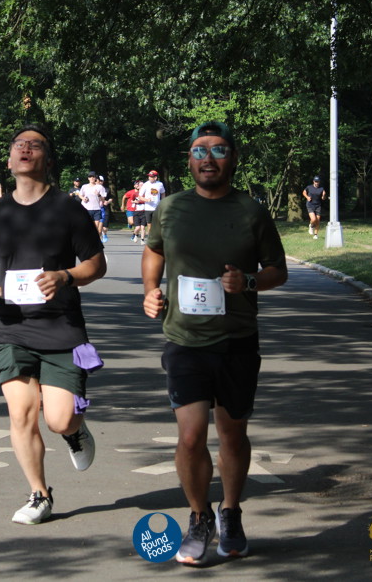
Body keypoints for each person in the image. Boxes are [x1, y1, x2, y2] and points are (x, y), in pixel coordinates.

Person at [141, 121, 287, 565]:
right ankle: (199, 516)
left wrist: (248, 282)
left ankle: (231, 511)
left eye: (219, 150)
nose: (209, 159)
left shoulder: (251, 211)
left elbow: (278, 270)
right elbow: (154, 250)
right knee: (190, 437)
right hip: (184, 339)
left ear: (233, 159)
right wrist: (150, 290)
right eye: (200, 151)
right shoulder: (171, 207)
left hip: (237, 339)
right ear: (189, 160)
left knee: (232, 434)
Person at [0, 124, 107, 525]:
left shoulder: (67, 208)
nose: (26, 149)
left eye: (36, 145)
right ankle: (39, 494)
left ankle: (74, 431)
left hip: (62, 327)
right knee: (21, 415)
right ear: (10, 158)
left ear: (48, 159)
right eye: (19, 144)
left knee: (59, 419)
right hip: (12, 327)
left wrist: (65, 276)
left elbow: (96, 264)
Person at [79, 171, 107, 241]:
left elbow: (103, 199)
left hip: (97, 209)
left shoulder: (100, 187)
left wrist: (98, 195)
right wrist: (83, 198)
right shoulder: (84, 186)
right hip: (86, 209)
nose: (92, 178)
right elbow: (80, 194)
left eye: (93, 177)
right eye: (90, 177)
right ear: (88, 178)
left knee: (95, 228)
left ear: (95, 178)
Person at [138, 169, 165, 242]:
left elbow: (163, 193)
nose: (149, 178)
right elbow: (140, 196)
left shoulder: (160, 184)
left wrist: (162, 202)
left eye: (151, 177)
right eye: (149, 176)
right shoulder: (146, 184)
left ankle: (158, 239)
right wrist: (146, 200)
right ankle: (150, 240)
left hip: (157, 207)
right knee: (149, 225)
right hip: (148, 208)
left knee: (157, 224)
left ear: (155, 178)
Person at [303, 175, 326, 239]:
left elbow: (323, 198)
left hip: (318, 205)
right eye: (315, 181)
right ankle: (311, 226)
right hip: (310, 204)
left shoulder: (321, 188)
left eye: (318, 181)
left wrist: (324, 195)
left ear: (319, 182)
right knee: (313, 219)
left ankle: (315, 235)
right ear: (313, 181)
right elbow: (304, 192)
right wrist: (307, 197)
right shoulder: (309, 187)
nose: (317, 183)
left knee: (318, 221)